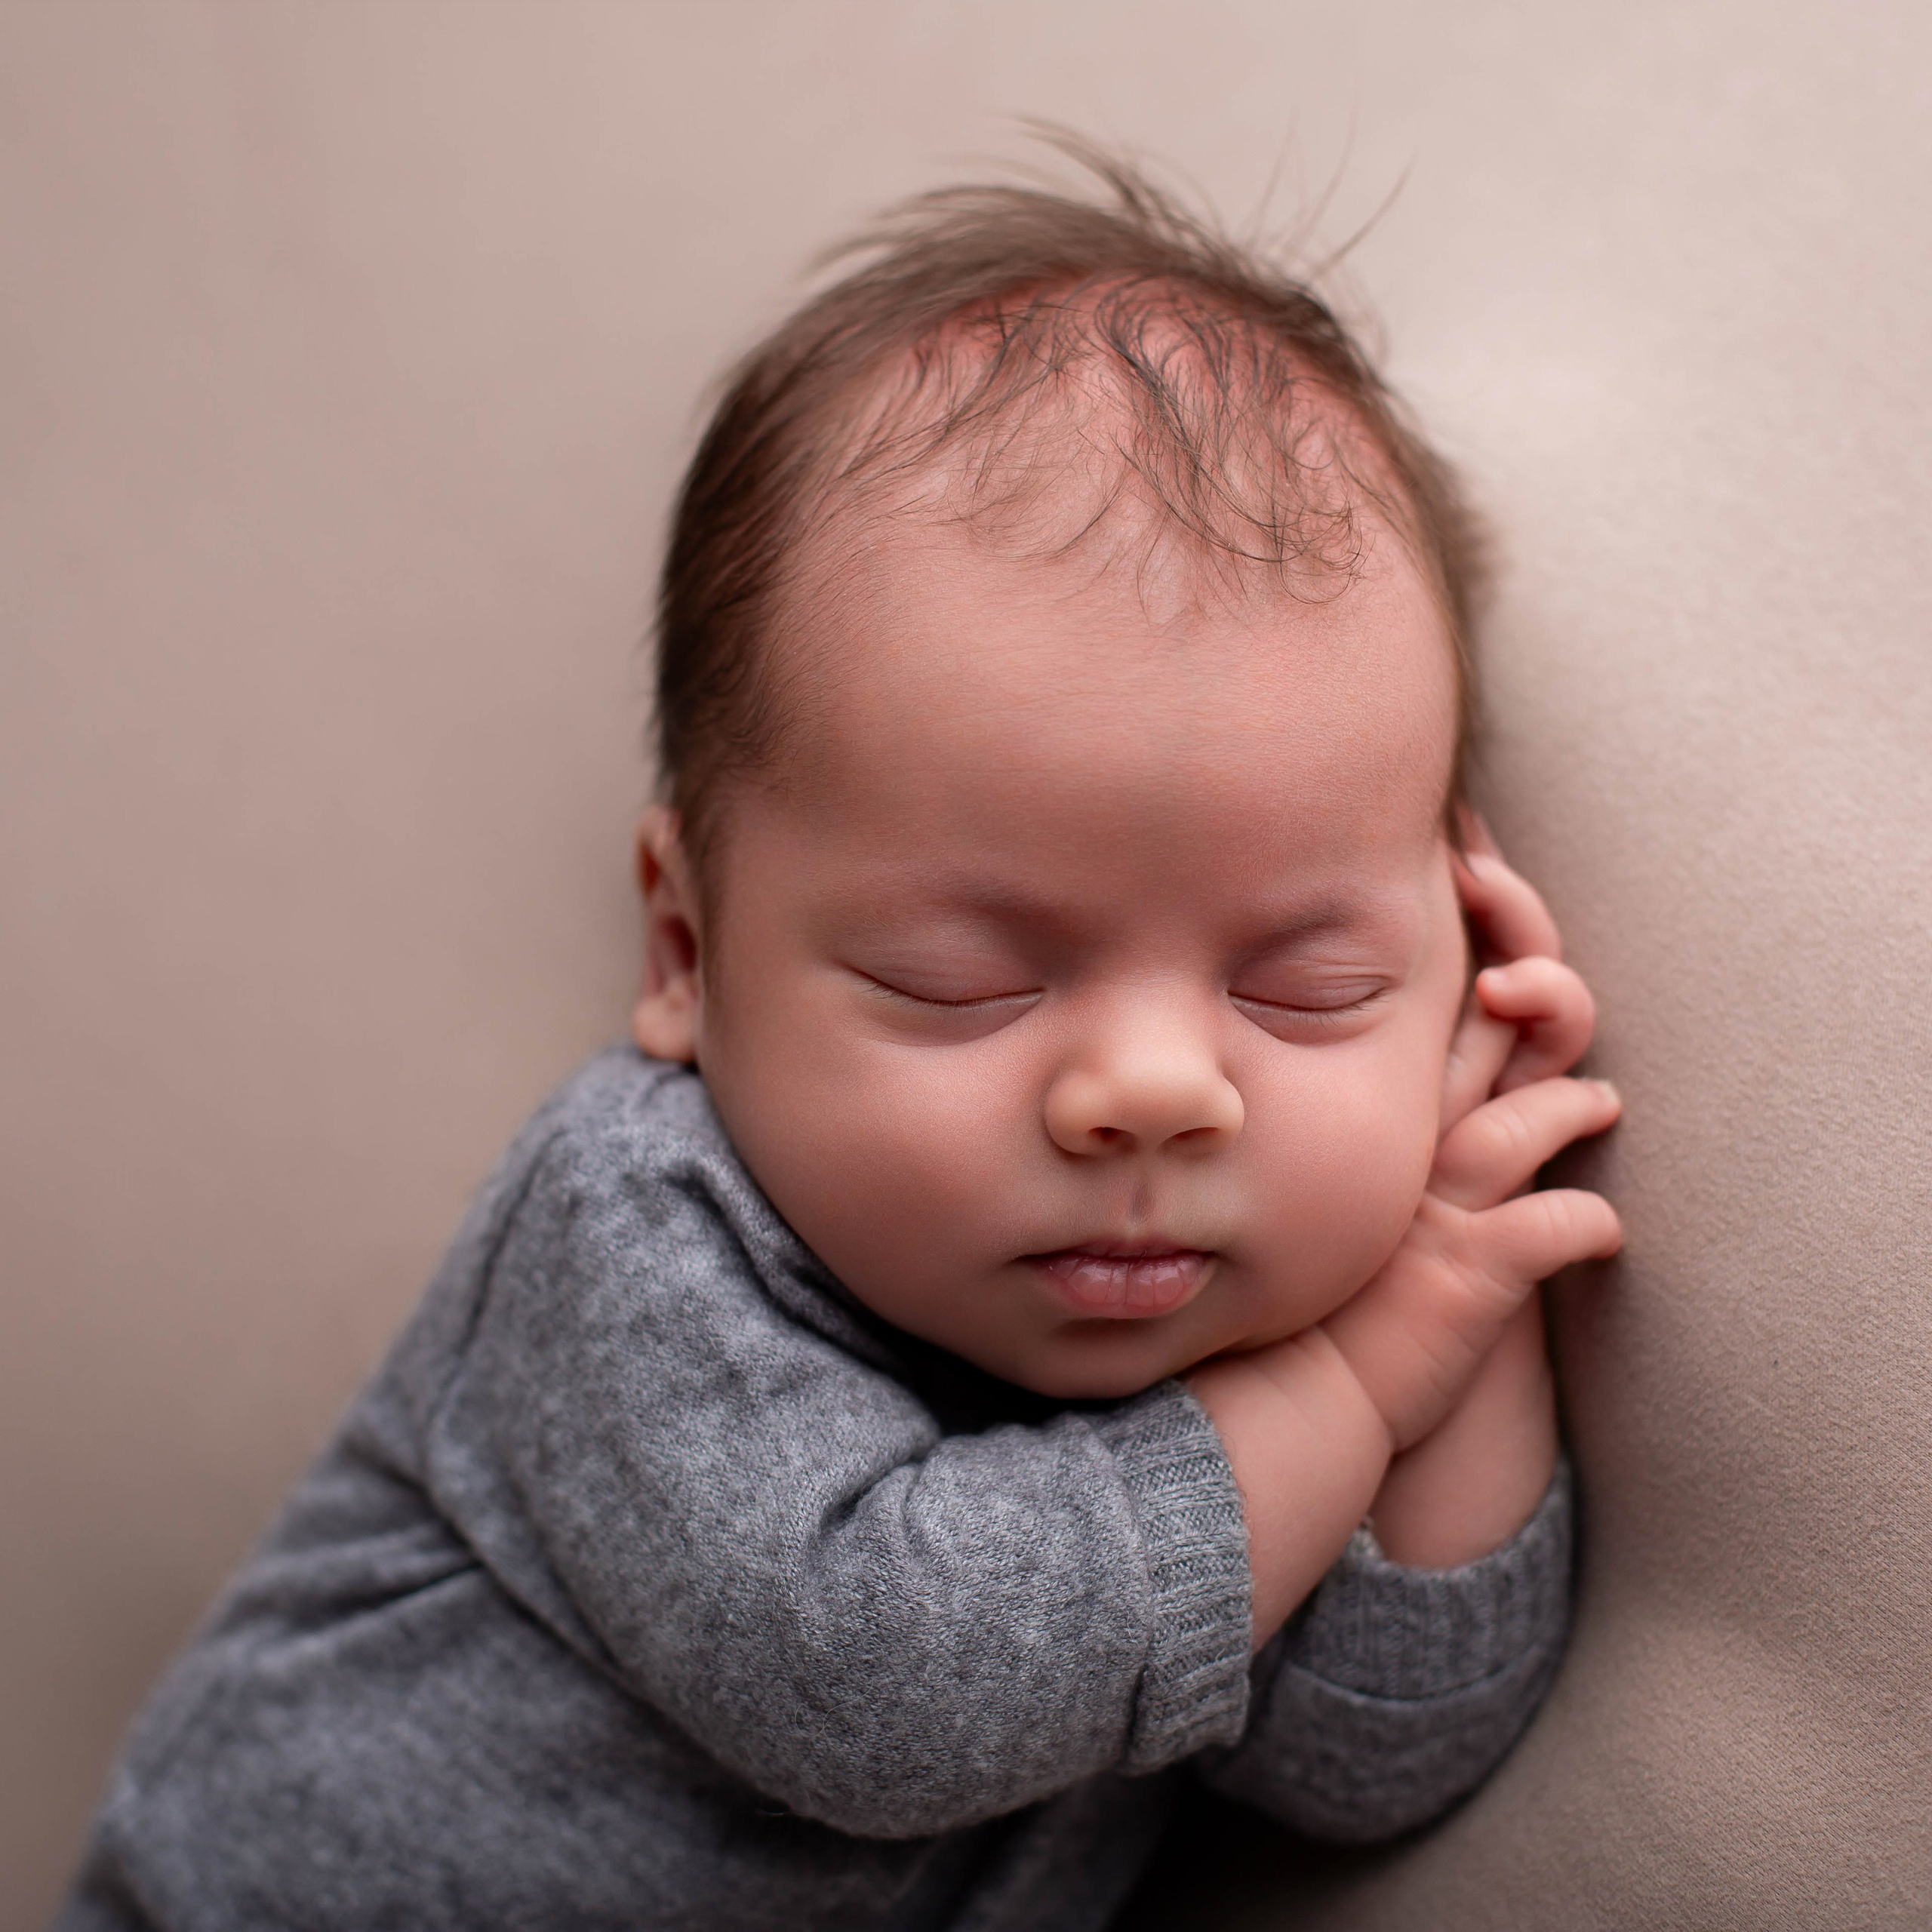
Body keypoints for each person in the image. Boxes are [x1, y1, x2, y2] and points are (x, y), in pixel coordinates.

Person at [59, 149, 1622, 1931]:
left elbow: (1368, 1766)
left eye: (1307, 989)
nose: (1147, 1092)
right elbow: (884, 1688)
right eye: (960, 979)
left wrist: (1467, 1297)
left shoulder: (1258, 1327)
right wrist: (1358, 1376)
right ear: (684, 947)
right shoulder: (632, 1228)